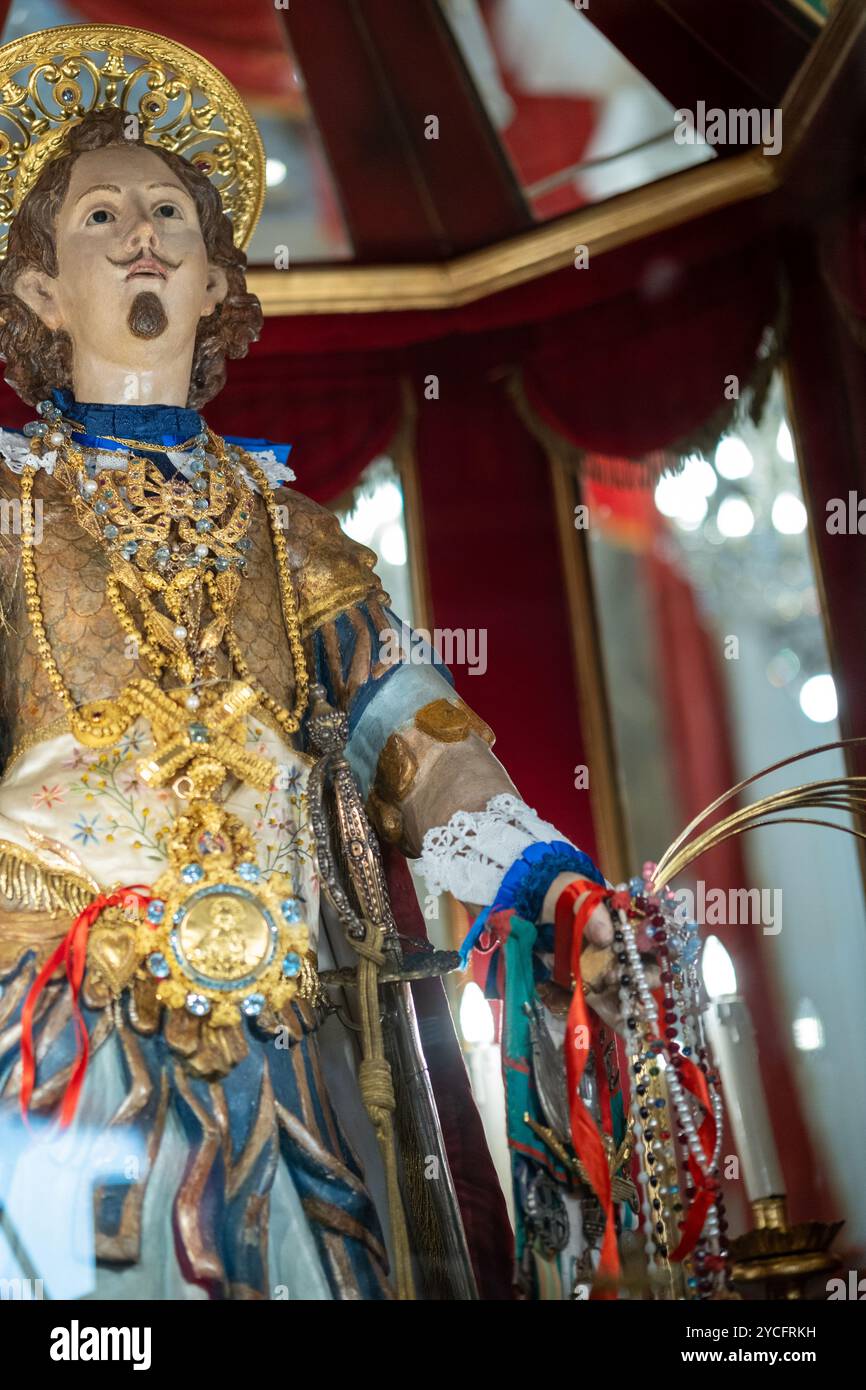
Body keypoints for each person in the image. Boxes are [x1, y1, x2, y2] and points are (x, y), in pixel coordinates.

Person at [0, 26, 626, 1302]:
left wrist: (544, 883)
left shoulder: (290, 537)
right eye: (101, 213)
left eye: (172, 212)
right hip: (53, 1047)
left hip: (291, 1056)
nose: (143, 236)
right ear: (37, 292)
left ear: (219, 281)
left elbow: (422, 745)